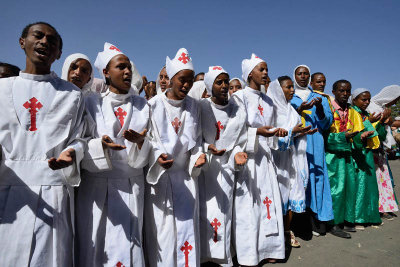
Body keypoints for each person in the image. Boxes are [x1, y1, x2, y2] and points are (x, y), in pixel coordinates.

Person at [0, 22, 86, 266]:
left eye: (53, 41)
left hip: (53, 190)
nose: (45, 42)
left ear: (59, 53)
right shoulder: (1, 88)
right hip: (8, 187)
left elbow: (80, 138)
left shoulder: (72, 94)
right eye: (38, 36)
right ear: (22, 41)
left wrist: (72, 152)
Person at [75, 42, 151, 267]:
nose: (127, 71)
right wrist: (100, 146)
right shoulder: (91, 102)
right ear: (106, 73)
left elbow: (154, 143)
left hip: (131, 183)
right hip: (97, 187)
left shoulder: (143, 105)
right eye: (121, 67)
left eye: (128, 66)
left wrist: (140, 143)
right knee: (97, 244)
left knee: (130, 245)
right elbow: (80, 140)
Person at [144, 48, 206, 267]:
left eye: (190, 80)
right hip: (160, 180)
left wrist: (198, 156)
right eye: (182, 80)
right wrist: (157, 155)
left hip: (186, 179)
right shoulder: (152, 106)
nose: (187, 85)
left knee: (187, 231)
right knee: (163, 234)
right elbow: (148, 140)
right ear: (170, 79)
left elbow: (197, 141)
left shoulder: (194, 107)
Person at [231, 53, 287, 266]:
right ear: (249, 74)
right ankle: (249, 254)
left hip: (265, 158)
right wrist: (257, 133)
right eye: (261, 69)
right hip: (249, 158)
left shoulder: (269, 101)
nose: (265, 73)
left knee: (268, 204)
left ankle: (270, 248)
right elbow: (235, 131)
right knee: (249, 206)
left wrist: (276, 133)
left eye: (266, 69)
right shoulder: (239, 97)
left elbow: (270, 127)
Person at [199, 66, 248, 265]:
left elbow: (239, 141)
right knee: (205, 214)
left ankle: (223, 257)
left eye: (226, 82)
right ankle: (204, 255)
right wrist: (206, 148)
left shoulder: (237, 111)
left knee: (224, 214)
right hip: (204, 170)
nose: (224, 86)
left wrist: (237, 154)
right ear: (210, 86)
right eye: (219, 82)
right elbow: (194, 137)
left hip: (226, 169)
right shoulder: (201, 107)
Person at [267, 76, 316, 247]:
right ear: (278, 90)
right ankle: (274, 235)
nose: (292, 90)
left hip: (290, 159)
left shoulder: (291, 110)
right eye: (288, 87)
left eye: (291, 87)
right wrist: (291, 131)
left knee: (289, 195)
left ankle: (288, 231)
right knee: (275, 197)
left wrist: (301, 133)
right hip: (274, 161)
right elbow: (270, 137)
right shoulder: (270, 111)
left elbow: (293, 133)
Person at [290, 65, 334, 236]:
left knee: (317, 178)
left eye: (306, 74)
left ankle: (318, 218)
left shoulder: (319, 97)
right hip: (296, 142)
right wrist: (298, 110)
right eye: (299, 73)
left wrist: (321, 110)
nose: (302, 76)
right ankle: (300, 221)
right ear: (294, 76)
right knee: (300, 179)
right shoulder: (289, 96)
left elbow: (326, 124)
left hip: (315, 142)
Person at [325, 81, 371, 239]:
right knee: (336, 190)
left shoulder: (352, 111)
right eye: (341, 91)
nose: (345, 94)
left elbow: (357, 133)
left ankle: (346, 219)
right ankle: (333, 224)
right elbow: (324, 135)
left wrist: (361, 136)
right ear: (334, 91)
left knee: (349, 187)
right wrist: (341, 137)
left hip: (348, 155)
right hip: (333, 156)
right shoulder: (328, 109)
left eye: (348, 91)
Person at [350, 88, 383, 227]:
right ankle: (359, 218)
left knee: (369, 185)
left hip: (367, 151)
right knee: (360, 185)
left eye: (368, 99)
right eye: (363, 99)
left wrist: (378, 121)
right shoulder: (352, 112)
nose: (367, 102)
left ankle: (370, 216)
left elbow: (374, 133)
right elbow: (354, 130)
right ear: (355, 100)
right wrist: (368, 121)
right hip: (357, 152)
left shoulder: (366, 113)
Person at [367, 85, 400, 219]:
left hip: (380, 150)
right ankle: (378, 208)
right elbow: (372, 127)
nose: (395, 103)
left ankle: (384, 207)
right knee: (376, 180)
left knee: (383, 180)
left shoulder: (382, 108)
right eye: (395, 99)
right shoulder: (372, 107)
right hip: (373, 148)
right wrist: (383, 121)